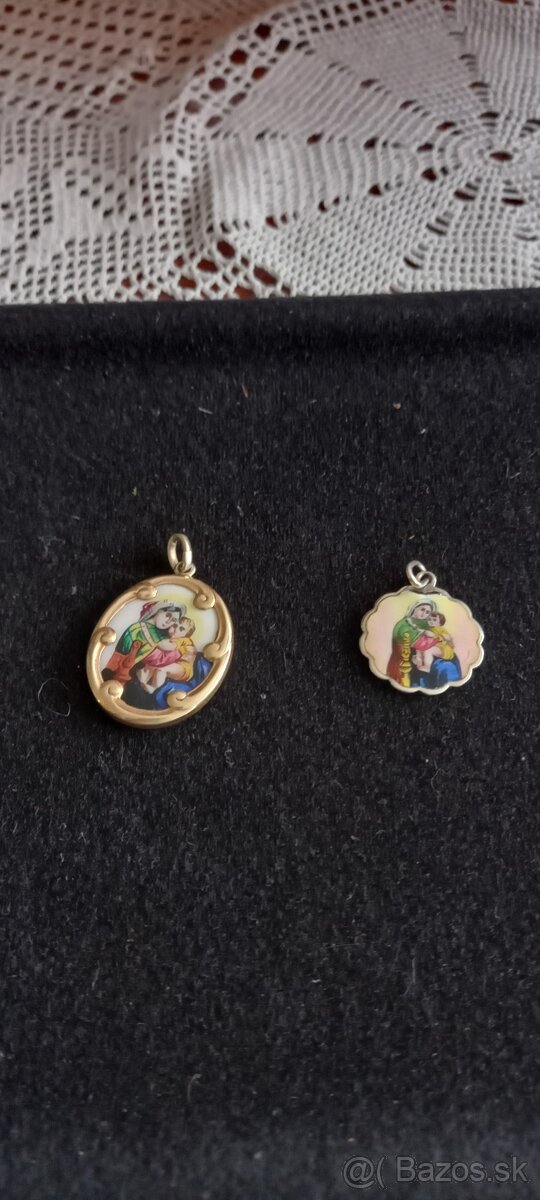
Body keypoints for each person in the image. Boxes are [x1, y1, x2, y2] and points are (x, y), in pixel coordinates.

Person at [103, 601, 186, 684]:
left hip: (136, 675)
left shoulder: (162, 636)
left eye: (173, 620)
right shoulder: (137, 629)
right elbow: (121, 653)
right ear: (158, 610)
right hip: (117, 671)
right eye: (167, 615)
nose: (168, 622)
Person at [136, 617, 197, 694]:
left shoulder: (184, 640)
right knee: (153, 665)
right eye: (174, 625)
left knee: (161, 669)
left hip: (184, 668)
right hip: (171, 661)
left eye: (181, 629)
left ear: (187, 634)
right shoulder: (169, 637)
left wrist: (154, 641)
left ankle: (153, 688)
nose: (176, 629)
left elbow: (169, 647)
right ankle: (143, 679)